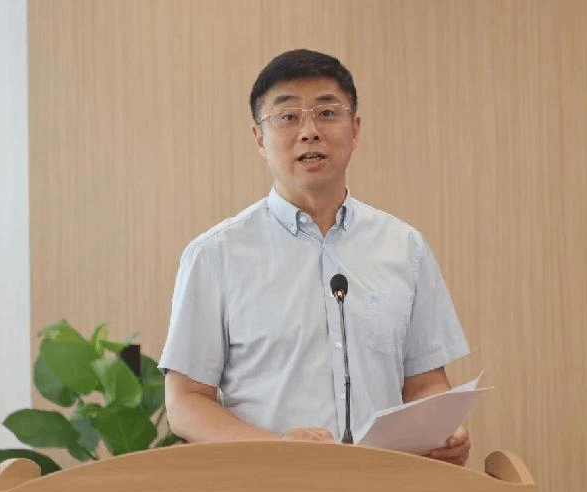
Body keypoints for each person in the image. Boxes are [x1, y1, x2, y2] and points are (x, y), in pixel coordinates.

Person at [158, 49, 471, 466]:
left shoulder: (405, 248)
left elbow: (425, 383)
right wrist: (277, 447)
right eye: (287, 116)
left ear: (355, 129)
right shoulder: (215, 255)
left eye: (327, 113)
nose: (309, 132)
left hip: (383, 489)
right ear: (259, 137)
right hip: (267, 490)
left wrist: (442, 429)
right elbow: (185, 403)